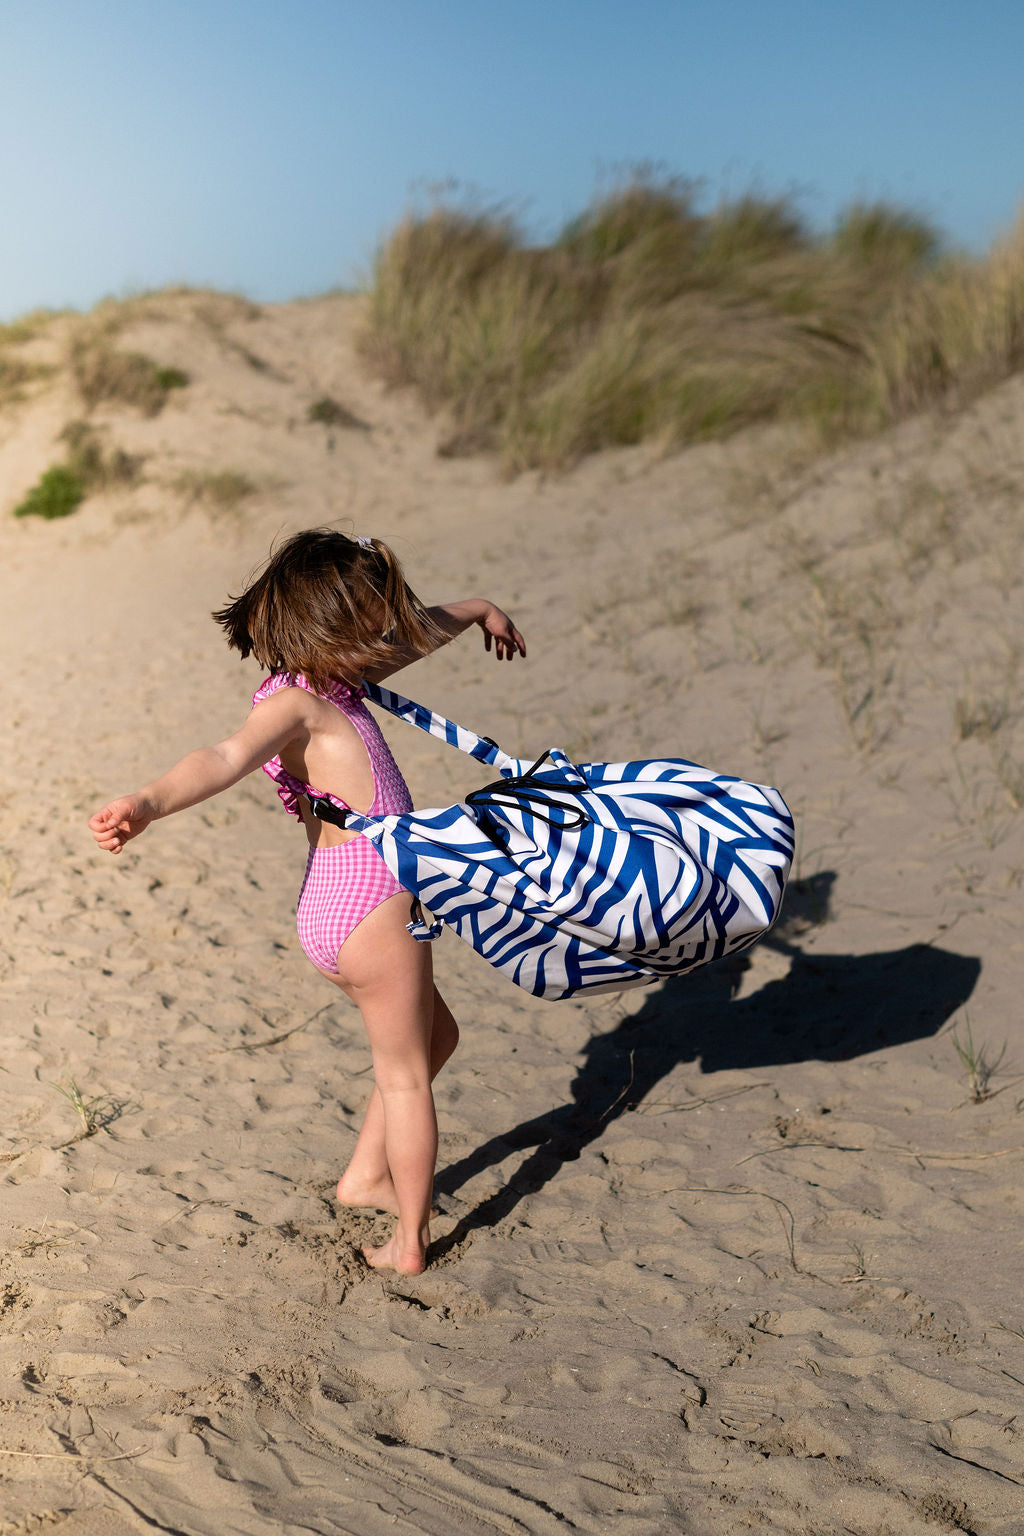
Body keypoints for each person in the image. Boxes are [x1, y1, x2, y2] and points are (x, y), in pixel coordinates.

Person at [88, 528, 525, 1275]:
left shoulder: (323, 681)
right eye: (372, 623)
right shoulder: (300, 705)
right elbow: (223, 757)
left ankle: (364, 1177)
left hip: (331, 904)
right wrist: (148, 802)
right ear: (329, 626)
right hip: (375, 904)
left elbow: (421, 636)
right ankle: (410, 1243)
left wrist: (480, 608)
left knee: (433, 1039)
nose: (388, 635)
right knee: (407, 1076)